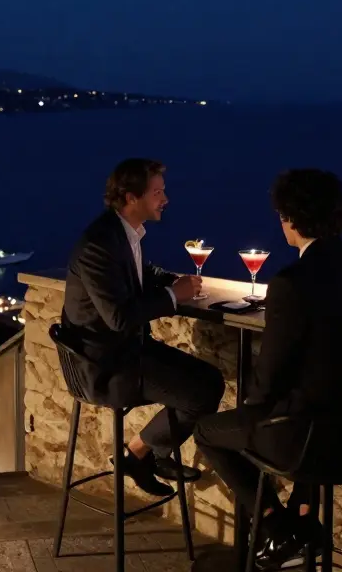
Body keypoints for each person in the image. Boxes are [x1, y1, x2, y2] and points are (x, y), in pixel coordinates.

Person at [193, 168, 342, 567]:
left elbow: (272, 374)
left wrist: (251, 412)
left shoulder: (290, 282)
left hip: (310, 438)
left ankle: (275, 527)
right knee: (313, 409)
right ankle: (304, 524)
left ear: (290, 218)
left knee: (208, 432)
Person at [60, 158, 226, 496]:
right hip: (104, 365)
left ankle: (141, 454)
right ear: (131, 197)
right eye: (157, 192)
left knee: (210, 380)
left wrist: (173, 281)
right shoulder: (98, 245)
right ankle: (140, 454)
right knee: (202, 391)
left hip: (126, 350)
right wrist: (172, 295)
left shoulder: (122, 234)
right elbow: (119, 317)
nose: (165, 199)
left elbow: (141, 272)